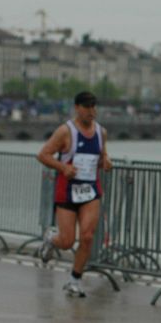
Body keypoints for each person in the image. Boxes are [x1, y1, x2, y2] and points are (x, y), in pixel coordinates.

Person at [36, 91, 113, 297]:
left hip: (90, 191)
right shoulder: (65, 131)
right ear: (77, 108)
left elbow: (102, 155)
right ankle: (52, 239)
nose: (92, 111)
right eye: (87, 107)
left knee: (87, 237)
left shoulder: (101, 132)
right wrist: (63, 168)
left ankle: (74, 281)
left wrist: (106, 162)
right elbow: (42, 155)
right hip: (68, 191)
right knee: (68, 241)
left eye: (94, 107)